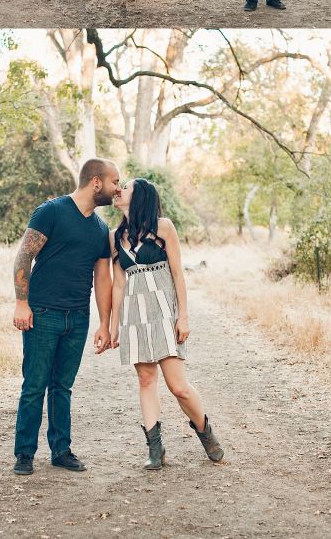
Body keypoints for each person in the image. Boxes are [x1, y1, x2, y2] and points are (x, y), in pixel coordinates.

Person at [11, 158, 120, 476]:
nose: (117, 189)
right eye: (115, 182)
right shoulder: (52, 211)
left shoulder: (101, 229)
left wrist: (103, 322)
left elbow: (103, 278)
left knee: (63, 386)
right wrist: (22, 303)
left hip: (77, 318)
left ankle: (61, 450)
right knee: (35, 385)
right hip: (42, 314)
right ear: (96, 182)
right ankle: (24, 454)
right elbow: (24, 255)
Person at [109, 178, 224, 470]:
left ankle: (204, 431)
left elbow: (177, 274)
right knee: (146, 380)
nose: (118, 189)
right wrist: (113, 324)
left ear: (140, 197)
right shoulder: (114, 236)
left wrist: (182, 315)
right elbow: (119, 284)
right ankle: (155, 450)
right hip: (134, 315)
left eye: (125, 186)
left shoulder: (164, 228)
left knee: (178, 386)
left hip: (163, 311)